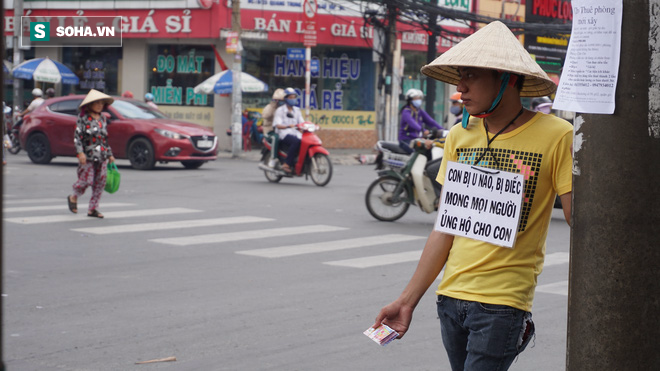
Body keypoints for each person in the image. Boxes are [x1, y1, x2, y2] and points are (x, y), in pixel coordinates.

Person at [373, 21, 573, 371]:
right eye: (459, 76)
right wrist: (407, 300)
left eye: (472, 76)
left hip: (502, 303)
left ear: (507, 79)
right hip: (450, 300)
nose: (460, 88)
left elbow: (578, 217)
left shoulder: (558, 135)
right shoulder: (458, 136)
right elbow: (445, 228)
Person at [67, 89, 116, 219]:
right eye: (97, 103)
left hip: (102, 155)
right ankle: (73, 196)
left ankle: (93, 209)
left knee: (100, 182)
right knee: (87, 180)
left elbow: (104, 138)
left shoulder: (103, 119)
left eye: (102, 103)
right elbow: (77, 137)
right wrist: (80, 153)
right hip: (87, 154)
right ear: (90, 104)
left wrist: (110, 154)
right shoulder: (83, 119)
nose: (100, 105)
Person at [398, 88, 443, 154]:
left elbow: (431, 121)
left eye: (419, 99)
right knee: (416, 153)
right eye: (416, 99)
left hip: (417, 139)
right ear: (410, 100)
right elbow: (412, 123)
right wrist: (423, 130)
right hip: (406, 139)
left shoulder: (419, 111)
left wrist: (443, 130)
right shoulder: (406, 111)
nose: (418, 101)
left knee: (427, 151)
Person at [272, 87, 304, 174]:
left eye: (294, 97)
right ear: (286, 99)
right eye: (290, 97)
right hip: (284, 134)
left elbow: (302, 123)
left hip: (295, 133)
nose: (292, 99)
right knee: (296, 142)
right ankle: (287, 164)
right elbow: (277, 125)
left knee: (304, 141)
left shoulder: (297, 110)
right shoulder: (280, 110)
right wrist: (288, 126)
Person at [261, 88, 285, 167]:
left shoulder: (284, 109)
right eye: (279, 100)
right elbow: (265, 115)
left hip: (281, 130)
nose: (282, 102)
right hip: (270, 131)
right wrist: (273, 107)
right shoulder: (270, 107)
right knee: (275, 138)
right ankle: (273, 158)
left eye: (283, 100)